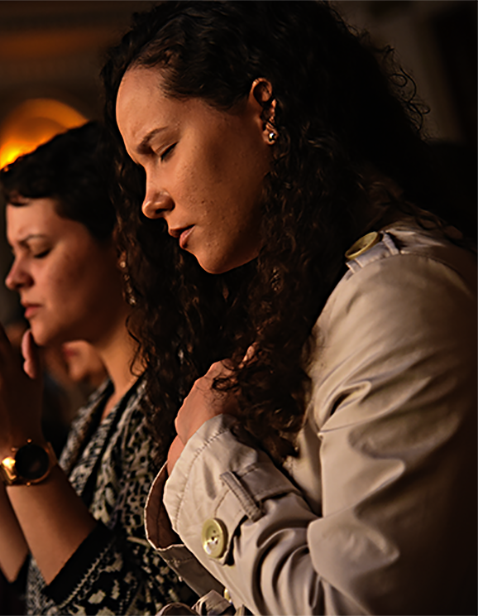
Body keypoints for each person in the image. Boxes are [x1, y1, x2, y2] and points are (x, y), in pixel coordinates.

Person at [101, 0, 478, 614]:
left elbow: (354, 606)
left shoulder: (401, 296)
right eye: (140, 167)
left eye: (163, 150)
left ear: (264, 108)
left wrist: (206, 452)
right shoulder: (302, 295)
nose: (150, 200)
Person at [0, 122, 192, 615]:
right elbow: (41, 579)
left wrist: (18, 445)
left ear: (122, 246)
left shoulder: (174, 395)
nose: (15, 277)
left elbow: (121, 606)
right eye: (14, 253)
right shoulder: (102, 405)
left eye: (38, 250)